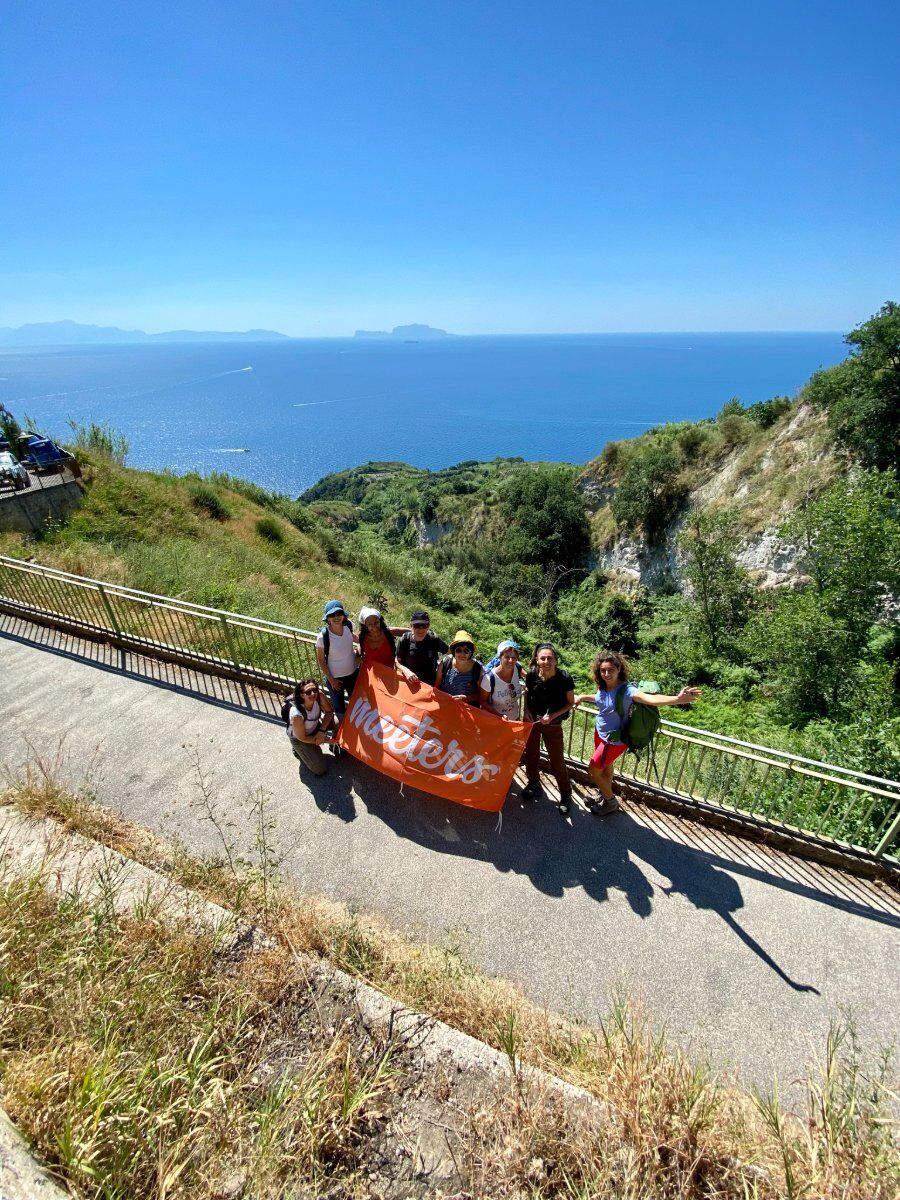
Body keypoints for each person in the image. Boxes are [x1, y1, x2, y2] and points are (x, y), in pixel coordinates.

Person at [574, 651, 702, 815]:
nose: (606, 674)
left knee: (593, 769)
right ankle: (603, 792)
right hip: (600, 733)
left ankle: (610, 801)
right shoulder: (604, 686)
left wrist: (678, 699)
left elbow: (651, 699)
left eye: (610, 670)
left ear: (619, 668)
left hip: (613, 740)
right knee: (606, 767)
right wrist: (583, 697)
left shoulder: (628, 691)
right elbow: (599, 698)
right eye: (603, 670)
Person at [522, 643, 575, 814]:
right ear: (537, 660)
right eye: (542, 658)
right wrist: (526, 712)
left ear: (556, 660)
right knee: (531, 755)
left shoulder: (564, 678)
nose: (546, 661)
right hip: (534, 723)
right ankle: (533, 783)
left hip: (553, 725)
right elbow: (528, 695)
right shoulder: (531, 676)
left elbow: (570, 703)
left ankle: (566, 794)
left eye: (550, 658)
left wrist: (553, 716)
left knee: (557, 761)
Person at [315, 600, 359, 730]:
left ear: (344, 616)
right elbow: (321, 661)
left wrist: (359, 652)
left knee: (357, 702)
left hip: (352, 674)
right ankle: (342, 731)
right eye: (332, 615)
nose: (336, 617)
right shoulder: (323, 637)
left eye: (339, 614)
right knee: (339, 707)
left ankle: (357, 728)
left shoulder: (348, 626)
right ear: (327, 619)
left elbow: (356, 640)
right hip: (335, 679)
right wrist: (331, 680)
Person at [286, 678, 336, 776]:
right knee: (320, 769)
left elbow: (329, 712)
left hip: (316, 727)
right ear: (302, 695)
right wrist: (325, 740)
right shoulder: (297, 715)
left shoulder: (319, 695)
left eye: (315, 690)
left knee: (338, 722)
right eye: (308, 692)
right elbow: (302, 737)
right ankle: (298, 750)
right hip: (300, 738)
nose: (313, 694)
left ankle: (336, 747)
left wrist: (321, 731)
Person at [358, 607, 418, 682]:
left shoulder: (388, 632)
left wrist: (422, 632)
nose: (374, 626)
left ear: (380, 621)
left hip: (389, 673)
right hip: (373, 675)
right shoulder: (362, 637)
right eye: (370, 624)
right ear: (365, 625)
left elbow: (409, 631)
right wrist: (358, 653)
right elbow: (360, 648)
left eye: (376, 622)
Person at [395, 610, 448, 685]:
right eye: (417, 626)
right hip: (409, 681)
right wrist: (406, 671)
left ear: (428, 626)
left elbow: (451, 652)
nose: (421, 629)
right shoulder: (405, 640)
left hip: (429, 684)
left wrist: (440, 667)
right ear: (411, 626)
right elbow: (397, 660)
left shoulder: (433, 639)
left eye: (424, 625)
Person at [435, 631, 484, 705]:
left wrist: (466, 698)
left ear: (471, 653)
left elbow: (482, 696)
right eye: (458, 650)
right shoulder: (445, 663)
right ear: (453, 651)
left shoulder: (477, 669)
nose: (462, 654)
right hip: (446, 705)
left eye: (466, 651)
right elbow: (437, 687)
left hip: (468, 709)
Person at [480, 640, 523, 720]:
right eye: (507, 657)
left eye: (514, 657)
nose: (511, 660)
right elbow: (482, 701)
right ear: (500, 657)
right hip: (495, 722)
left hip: (514, 719)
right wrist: (499, 716)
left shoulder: (517, 668)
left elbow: (530, 678)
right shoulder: (489, 678)